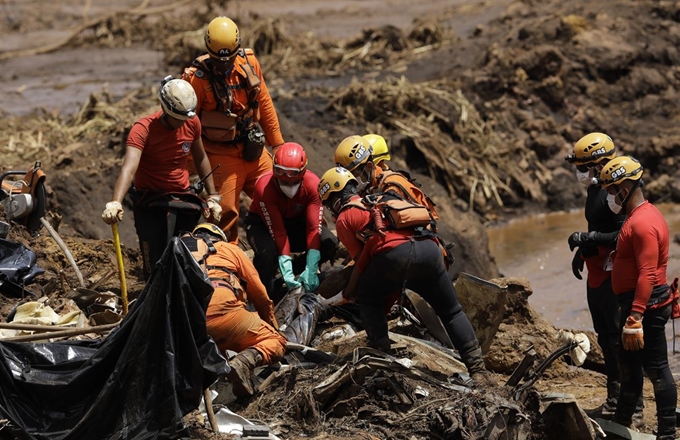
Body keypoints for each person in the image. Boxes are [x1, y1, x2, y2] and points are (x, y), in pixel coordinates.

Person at [317, 167, 495, 387]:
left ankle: (382, 358)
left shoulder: (345, 217)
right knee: (451, 311)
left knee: (368, 298)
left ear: (332, 199)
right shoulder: (379, 198)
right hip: (429, 251)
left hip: (395, 258)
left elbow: (362, 262)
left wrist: (348, 291)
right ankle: (478, 370)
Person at [102, 76, 221, 279]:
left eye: (186, 118)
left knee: (185, 255)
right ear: (166, 110)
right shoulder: (143, 130)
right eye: (179, 119)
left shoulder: (192, 122)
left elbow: (200, 157)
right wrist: (115, 202)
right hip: (151, 199)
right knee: (154, 260)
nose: (183, 123)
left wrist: (213, 196)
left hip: (182, 197)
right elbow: (129, 168)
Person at [182, 16, 284, 243]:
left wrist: (277, 144)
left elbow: (264, 102)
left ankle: (278, 250)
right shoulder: (196, 80)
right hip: (219, 155)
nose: (225, 66)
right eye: (219, 61)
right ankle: (227, 265)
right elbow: (187, 126)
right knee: (224, 213)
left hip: (253, 151)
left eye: (229, 60)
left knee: (280, 192)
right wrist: (187, 167)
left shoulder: (249, 63)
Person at [599, 156, 677, 440]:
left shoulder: (643, 223)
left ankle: (667, 432)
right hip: (636, 304)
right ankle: (621, 424)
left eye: (611, 190)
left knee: (657, 369)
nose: (609, 196)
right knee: (629, 366)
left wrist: (636, 316)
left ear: (625, 187)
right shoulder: (639, 216)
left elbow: (647, 273)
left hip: (648, 307)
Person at [181, 223, 286, 397]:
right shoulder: (229, 249)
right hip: (226, 314)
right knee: (276, 341)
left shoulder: (179, 251)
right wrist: (272, 325)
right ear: (218, 237)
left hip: (189, 327)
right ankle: (243, 362)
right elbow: (259, 293)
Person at [565, 132, 627, 418]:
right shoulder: (594, 188)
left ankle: (631, 402)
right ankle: (614, 397)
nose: (578, 173)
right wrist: (583, 250)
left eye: (581, 167)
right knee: (605, 337)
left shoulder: (616, 194)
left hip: (614, 276)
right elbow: (597, 227)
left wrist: (587, 238)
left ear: (599, 164)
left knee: (619, 339)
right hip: (596, 275)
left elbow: (623, 234)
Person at [246, 142, 338, 299]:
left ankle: (296, 273)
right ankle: (264, 295)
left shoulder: (313, 185)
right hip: (263, 226)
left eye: (294, 182)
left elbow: (313, 229)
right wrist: (285, 266)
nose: (289, 186)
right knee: (267, 253)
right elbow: (278, 232)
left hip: (296, 225)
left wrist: (311, 266)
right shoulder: (264, 187)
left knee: (329, 242)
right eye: (283, 182)